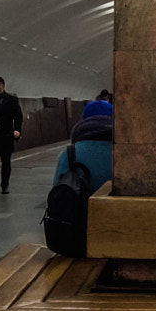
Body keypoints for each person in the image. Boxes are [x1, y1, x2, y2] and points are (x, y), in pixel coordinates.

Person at [42, 104, 115, 256]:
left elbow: (57, 192)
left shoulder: (70, 153)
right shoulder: (126, 152)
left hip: (77, 239)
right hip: (118, 235)